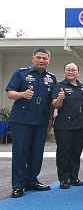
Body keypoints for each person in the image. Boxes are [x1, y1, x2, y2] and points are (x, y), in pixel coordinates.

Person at [6, 48, 56, 198]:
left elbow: (51, 102)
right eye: (39, 57)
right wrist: (23, 94)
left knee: (37, 152)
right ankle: (18, 185)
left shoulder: (51, 78)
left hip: (41, 120)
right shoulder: (21, 73)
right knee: (20, 152)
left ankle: (32, 180)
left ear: (49, 61)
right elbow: (10, 93)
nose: (42, 60)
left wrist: (50, 118)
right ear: (32, 58)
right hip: (22, 119)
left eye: (45, 58)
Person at [52, 63, 83, 189]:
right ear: (64, 72)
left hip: (81, 124)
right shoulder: (59, 86)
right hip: (64, 124)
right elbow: (55, 105)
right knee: (64, 152)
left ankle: (74, 177)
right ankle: (64, 179)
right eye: (68, 70)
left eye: (73, 70)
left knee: (76, 151)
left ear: (78, 72)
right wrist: (60, 98)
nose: (71, 72)